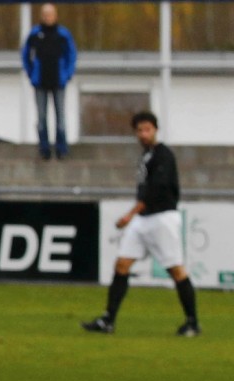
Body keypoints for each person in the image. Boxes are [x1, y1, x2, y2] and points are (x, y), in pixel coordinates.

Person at [83, 112, 198, 338]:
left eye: (147, 129)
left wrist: (129, 215)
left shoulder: (163, 155)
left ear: (156, 129)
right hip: (144, 219)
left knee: (176, 270)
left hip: (162, 217)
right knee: (122, 265)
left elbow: (158, 189)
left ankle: (192, 322)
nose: (143, 134)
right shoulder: (147, 156)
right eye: (139, 130)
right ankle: (108, 320)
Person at [22, 3, 78, 162]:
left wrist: (67, 74)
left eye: (51, 14)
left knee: (60, 116)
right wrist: (31, 73)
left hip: (58, 80)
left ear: (56, 15)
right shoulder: (35, 34)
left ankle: (61, 148)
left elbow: (71, 55)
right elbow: (26, 54)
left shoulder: (63, 34)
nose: (48, 17)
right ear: (41, 16)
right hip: (40, 81)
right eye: (45, 14)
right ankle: (44, 148)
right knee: (41, 116)